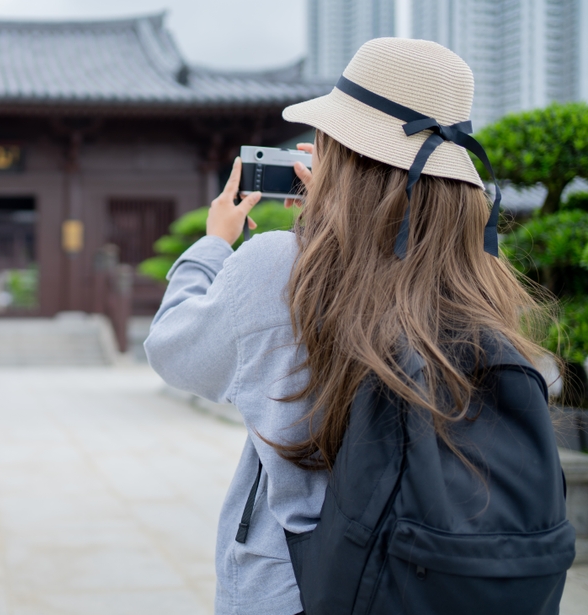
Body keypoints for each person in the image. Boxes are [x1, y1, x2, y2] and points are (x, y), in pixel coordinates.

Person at [144, 38, 555, 615]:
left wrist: (213, 246)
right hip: (433, 582)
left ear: (339, 152)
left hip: (295, 589)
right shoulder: (479, 278)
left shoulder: (278, 267)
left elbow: (171, 350)